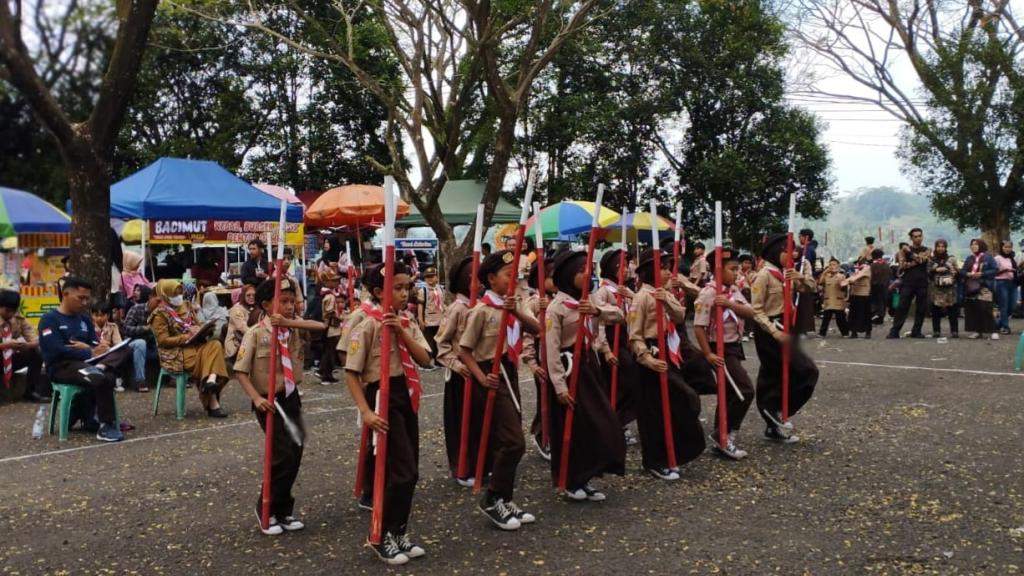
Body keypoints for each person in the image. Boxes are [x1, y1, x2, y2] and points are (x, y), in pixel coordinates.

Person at [344, 261, 432, 565]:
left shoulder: (407, 322)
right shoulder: (366, 324)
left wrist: (402, 332)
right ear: (380, 291)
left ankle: (399, 531)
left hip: (406, 395)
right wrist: (366, 412)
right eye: (397, 288)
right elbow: (351, 373)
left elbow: (425, 359)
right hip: (381, 397)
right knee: (399, 472)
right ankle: (380, 535)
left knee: (411, 471)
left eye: (407, 286)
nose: (404, 293)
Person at [457, 250, 540, 531]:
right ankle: (493, 498)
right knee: (513, 441)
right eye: (508, 275)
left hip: (510, 370)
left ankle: (505, 497)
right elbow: (464, 350)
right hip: (491, 375)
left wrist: (516, 310)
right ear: (492, 279)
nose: (513, 280)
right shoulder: (482, 311)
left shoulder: (513, 305)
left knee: (513, 437)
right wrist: (481, 378)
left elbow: (537, 329)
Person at [235, 277, 324, 536]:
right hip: (269, 401)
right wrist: (256, 399)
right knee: (281, 453)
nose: (289, 306)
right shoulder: (256, 333)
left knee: (296, 451)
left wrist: (289, 322)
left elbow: (319, 326)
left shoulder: (293, 329)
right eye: (282, 302)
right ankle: (266, 508)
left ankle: (284, 509)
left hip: (291, 397)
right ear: (266, 304)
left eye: (291, 301)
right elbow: (240, 371)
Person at [543, 250, 625, 501]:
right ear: (568, 275)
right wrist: (559, 386)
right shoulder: (557, 308)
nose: (586, 274)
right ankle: (571, 480)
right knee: (575, 427)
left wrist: (596, 312)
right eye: (580, 271)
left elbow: (619, 316)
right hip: (569, 372)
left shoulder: (588, 301)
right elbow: (551, 349)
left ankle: (587, 476)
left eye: (587, 269)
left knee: (598, 424)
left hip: (590, 368)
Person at [628, 248, 706, 481]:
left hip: (668, 354)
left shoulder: (664, 293)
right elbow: (634, 336)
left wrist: (667, 302)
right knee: (652, 413)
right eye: (662, 267)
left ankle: (675, 451)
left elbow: (681, 316)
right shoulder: (641, 297)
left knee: (681, 401)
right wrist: (648, 360)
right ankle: (653, 460)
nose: (666, 271)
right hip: (651, 358)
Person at [750, 233, 818, 443]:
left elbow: (811, 288)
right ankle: (773, 411)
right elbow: (756, 310)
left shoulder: (786, 273)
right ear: (777, 251)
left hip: (788, 328)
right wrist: (773, 331)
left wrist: (799, 278)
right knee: (800, 371)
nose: (793, 254)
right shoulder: (764, 275)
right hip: (771, 330)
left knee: (787, 374)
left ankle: (774, 420)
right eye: (788, 251)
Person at [38, 278, 123, 442]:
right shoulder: (50, 319)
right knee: (102, 377)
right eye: (80, 298)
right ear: (66, 294)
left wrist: (100, 347)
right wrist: (89, 352)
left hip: (88, 363)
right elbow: (55, 350)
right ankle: (106, 425)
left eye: (87, 298)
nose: (85, 302)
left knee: (123, 353)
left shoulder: (84, 320)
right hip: (62, 367)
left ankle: (88, 411)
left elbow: (92, 343)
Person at [692, 248, 755, 460]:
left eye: (737, 269)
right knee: (744, 390)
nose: (736, 273)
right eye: (732, 269)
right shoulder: (708, 293)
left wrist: (729, 304)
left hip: (734, 347)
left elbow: (750, 312)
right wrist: (708, 354)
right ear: (718, 269)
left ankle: (722, 436)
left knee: (728, 392)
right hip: (719, 349)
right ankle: (725, 434)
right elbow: (699, 327)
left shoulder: (732, 291)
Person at [150, 280, 230, 417]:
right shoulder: (159, 315)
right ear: (165, 295)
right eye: (175, 294)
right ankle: (212, 400)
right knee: (211, 359)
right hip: (177, 353)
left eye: (180, 293)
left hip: (196, 345)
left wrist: (201, 329)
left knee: (216, 344)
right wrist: (186, 336)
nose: (179, 296)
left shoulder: (187, 306)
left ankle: (211, 380)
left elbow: (197, 325)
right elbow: (163, 341)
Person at [436, 256, 482, 486]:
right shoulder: (456, 309)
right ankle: (462, 467)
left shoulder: (481, 307)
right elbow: (442, 343)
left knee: (479, 421)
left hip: (479, 372)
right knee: (461, 423)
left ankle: (479, 463)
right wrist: (457, 365)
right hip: (460, 376)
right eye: (472, 276)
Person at [592, 249, 638, 440]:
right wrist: (606, 350)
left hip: (625, 338)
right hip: (612, 341)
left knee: (629, 382)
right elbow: (600, 323)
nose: (627, 270)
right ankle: (614, 423)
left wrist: (630, 295)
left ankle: (622, 421)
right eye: (622, 266)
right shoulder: (603, 292)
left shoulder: (624, 290)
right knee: (618, 383)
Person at [521, 256, 556, 460]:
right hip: (540, 355)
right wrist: (532, 364)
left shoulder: (557, 298)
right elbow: (527, 336)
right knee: (545, 398)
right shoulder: (533, 303)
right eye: (550, 277)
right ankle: (542, 435)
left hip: (555, 356)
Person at [0, 289, 49, 402]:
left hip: (10, 359)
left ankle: (30, 391)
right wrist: (5, 345)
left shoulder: (18, 319)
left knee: (36, 353)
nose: (10, 314)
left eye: (13, 311)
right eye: (7, 310)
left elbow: (35, 339)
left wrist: (26, 345)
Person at [888, 228, 931, 339]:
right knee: (902, 306)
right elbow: (902, 265)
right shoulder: (902, 251)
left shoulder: (927, 249)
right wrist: (914, 260)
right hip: (908, 282)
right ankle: (894, 331)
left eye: (920, 236)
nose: (918, 238)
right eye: (915, 236)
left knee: (921, 308)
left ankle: (916, 331)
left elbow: (922, 260)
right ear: (911, 238)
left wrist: (910, 254)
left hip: (922, 282)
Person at [121, 285, 156, 391]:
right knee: (141, 343)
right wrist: (144, 329)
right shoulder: (137, 308)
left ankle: (174, 377)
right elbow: (126, 329)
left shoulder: (161, 313)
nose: (160, 304)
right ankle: (140, 381)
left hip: (151, 345)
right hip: (132, 344)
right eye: (158, 301)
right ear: (151, 297)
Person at [962, 239, 999, 340]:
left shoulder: (988, 257)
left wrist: (982, 274)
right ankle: (977, 331)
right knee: (973, 309)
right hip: (972, 286)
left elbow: (995, 270)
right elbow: (963, 270)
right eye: (972, 244)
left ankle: (993, 330)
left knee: (986, 308)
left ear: (981, 246)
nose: (974, 246)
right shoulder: (969, 258)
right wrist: (967, 274)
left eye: (976, 244)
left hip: (985, 286)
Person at [928, 240, 959, 339]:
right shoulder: (931, 259)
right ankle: (936, 331)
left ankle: (954, 331)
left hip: (950, 288)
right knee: (935, 310)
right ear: (935, 247)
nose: (940, 248)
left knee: (952, 310)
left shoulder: (951, 259)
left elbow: (957, 271)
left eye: (943, 246)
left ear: (946, 248)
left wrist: (950, 270)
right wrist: (935, 270)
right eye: (938, 246)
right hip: (936, 288)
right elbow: (927, 272)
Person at [317, 268, 343, 384]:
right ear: (327, 282)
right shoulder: (330, 296)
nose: (336, 282)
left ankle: (324, 371)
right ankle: (326, 374)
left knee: (328, 350)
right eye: (334, 281)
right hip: (331, 327)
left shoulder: (328, 295)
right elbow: (330, 312)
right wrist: (340, 318)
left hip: (330, 326)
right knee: (330, 351)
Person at [417, 266, 445, 366]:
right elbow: (420, 306)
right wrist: (421, 320)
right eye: (427, 277)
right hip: (429, 321)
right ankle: (427, 361)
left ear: (437, 277)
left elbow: (443, 304)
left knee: (439, 342)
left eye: (432, 277)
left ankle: (438, 360)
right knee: (429, 343)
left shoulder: (441, 289)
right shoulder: (423, 291)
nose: (430, 279)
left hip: (440, 320)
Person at [225, 284, 259, 360]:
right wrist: (258, 335)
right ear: (243, 296)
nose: (251, 297)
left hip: (250, 339)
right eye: (248, 295)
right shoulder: (237, 309)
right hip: (236, 343)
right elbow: (242, 327)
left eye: (254, 295)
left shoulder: (257, 308)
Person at [817, 258, 849, 338]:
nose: (832, 266)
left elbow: (844, 287)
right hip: (828, 301)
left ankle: (845, 333)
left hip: (838, 300)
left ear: (838, 266)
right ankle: (822, 333)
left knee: (840, 319)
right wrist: (825, 272)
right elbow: (820, 282)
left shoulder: (841, 276)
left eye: (834, 265)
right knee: (826, 319)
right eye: (830, 265)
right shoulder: (826, 276)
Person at [844, 257, 873, 339]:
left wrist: (848, 280)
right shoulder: (857, 270)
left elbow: (856, 277)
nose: (859, 264)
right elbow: (852, 278)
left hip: (864, 295)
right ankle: (854, 332)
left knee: (865, 314)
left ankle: (868, 332)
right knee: (853, 314)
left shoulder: (867, 269)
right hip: (855, 294)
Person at [994, 240, 1017, 335]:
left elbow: (1015, 271)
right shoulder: (997, 258)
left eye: (1009, 247)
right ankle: (1005, 327)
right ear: (1001, 247)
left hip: (1013, 283)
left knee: (1012, 306)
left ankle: (997, 324)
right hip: (1001, 283)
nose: (1007, 249)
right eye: (1005, 247)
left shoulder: (1012, 258)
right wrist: (1005, 270)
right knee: (1004, 306)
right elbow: (994, 272)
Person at [869, 249, 891, 324]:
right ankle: (881, 317)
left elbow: (870, 277)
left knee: (875, 302)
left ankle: (875, 316)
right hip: (885, 286)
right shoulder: (887, 265)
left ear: (873, 256)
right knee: (883, 302)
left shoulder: (872, 265)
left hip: (875, 287)